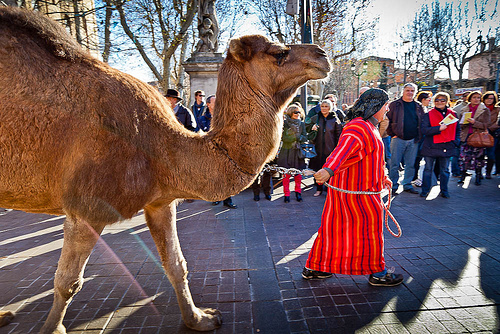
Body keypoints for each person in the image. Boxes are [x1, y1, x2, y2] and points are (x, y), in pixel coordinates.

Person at [302, 88, 403, 286]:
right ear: (375, 107)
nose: (388, 109)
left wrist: (383, 176)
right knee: (370, 231)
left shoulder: (367, 126)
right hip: (357, 194)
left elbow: (370, 155)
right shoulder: (359, 127)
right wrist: (328, 170)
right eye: (385, 105)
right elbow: (343, 151)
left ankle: (315, 268)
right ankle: (379, 273)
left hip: (357, 191)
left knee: (333, 230)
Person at [419, 93, 460, 198]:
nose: (439, 102)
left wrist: (456, 141)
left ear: (447, 101)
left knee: (445, 170)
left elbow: (457, 130)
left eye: (442, 100)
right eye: (437, 100)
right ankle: (425, 190)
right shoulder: (428, 114)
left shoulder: (453, 114)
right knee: (428, 169)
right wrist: (438, 129)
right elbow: (424, 130)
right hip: (431, 146)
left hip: (447, 145)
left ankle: (444, 191)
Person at [386, 83, 425, 194]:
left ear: (415, 92)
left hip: (413, 139)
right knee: (394, 163)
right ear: (403, 91)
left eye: (412, 91)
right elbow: (386, 119)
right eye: (408, 90)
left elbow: (422, 121)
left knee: (410, 164)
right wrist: (392, 133)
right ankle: (393, 185)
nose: (410, 92)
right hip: (397, 138)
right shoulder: (395, 104)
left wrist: (419, 136)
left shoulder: (418, 106)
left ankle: (407, 184)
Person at [200, 95, 237, 208]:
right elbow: (200, 134)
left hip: (224, 151)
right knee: (214, 176)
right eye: (215, 102)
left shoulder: (224, 117)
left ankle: (228, 200)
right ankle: (216, 197)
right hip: (210, 152)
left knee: (227, 176)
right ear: (208, 104)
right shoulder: (202, 119)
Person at [306, 99, 343, 197]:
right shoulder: (317, 118)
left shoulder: (335, 119)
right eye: (322, 106)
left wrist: (337, 150)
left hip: (330, 150)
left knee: (330, 170)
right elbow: (307, 127)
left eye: (326, 106)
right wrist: (312, 128)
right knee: (318, 169)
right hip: (318, 149)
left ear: (330, 107)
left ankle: (329, 189)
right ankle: (318, 189)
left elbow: (339, 136)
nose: (324, 108)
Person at [457, 91, 491, 185]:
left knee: (478, 158)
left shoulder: (484, 110)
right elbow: (460, 124)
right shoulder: (464, 109)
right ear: (470, 98)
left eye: (478, 97)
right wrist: (463, 122)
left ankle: (478, 176)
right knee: (464, 158)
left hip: (478, 137)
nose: (476, 99)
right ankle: (462, 176)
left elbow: (487, 124)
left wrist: (474, 122)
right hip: (466, 136)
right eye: (474, 97)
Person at [277, 104, 308, 203]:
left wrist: (298, 138)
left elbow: (305, 137)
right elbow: (282, 138)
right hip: (286, 151)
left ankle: (298, 193)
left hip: (297, 152)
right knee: (286, 174)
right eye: (295, 112)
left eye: (299, 112)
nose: (297, 114)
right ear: (290, 113)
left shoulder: (301, 124)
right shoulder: (285, 123)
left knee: (298, 174)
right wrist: (293, 137)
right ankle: (286, 194)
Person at [412, 91, 435, 187]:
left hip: (422, 137)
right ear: (423, 100)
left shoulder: (424, 108)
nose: (430, 102)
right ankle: (414, 178)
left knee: (417, 159)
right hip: (418, 138)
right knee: (416, 159)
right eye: (429, 100)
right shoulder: (419, 109)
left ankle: (414, 177)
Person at [451, 91, 472, 177]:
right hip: (459, 133)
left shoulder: (475, 107)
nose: (467, 98)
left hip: (470, 134)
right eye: (465, 96)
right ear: (462, 97)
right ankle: (455, 171)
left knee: (466, 154)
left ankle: (463, 170)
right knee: (456, 154)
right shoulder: (457, 108)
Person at [483, 91, 499, 178]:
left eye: (491, 98)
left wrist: (489, 129)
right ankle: (479, 173)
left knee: (491, 154)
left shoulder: (497, 109)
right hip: (480, 133)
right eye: (488, 98)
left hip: (492, 134)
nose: (489, 100)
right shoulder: (480, 108)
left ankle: (488, 172)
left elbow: (498, 123)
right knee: (480, 154)